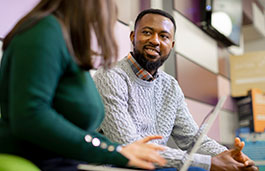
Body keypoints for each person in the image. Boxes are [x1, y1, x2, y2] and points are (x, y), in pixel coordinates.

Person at [0, 1, 167, 170]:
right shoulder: (44, 30)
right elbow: (31, 116)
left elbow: (77, 132)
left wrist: (119, 149)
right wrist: (113, 150)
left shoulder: (64, 39)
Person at [94, 9, 258, 171]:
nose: (155, 41)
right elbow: (129, 145)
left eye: (163, 36)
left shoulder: (170, 86)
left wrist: (230, 157)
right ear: (132, 36)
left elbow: (192, 139)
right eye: (147, 32)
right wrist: (208, 163)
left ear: (171, 45)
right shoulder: (109, 75)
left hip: (155, 167)